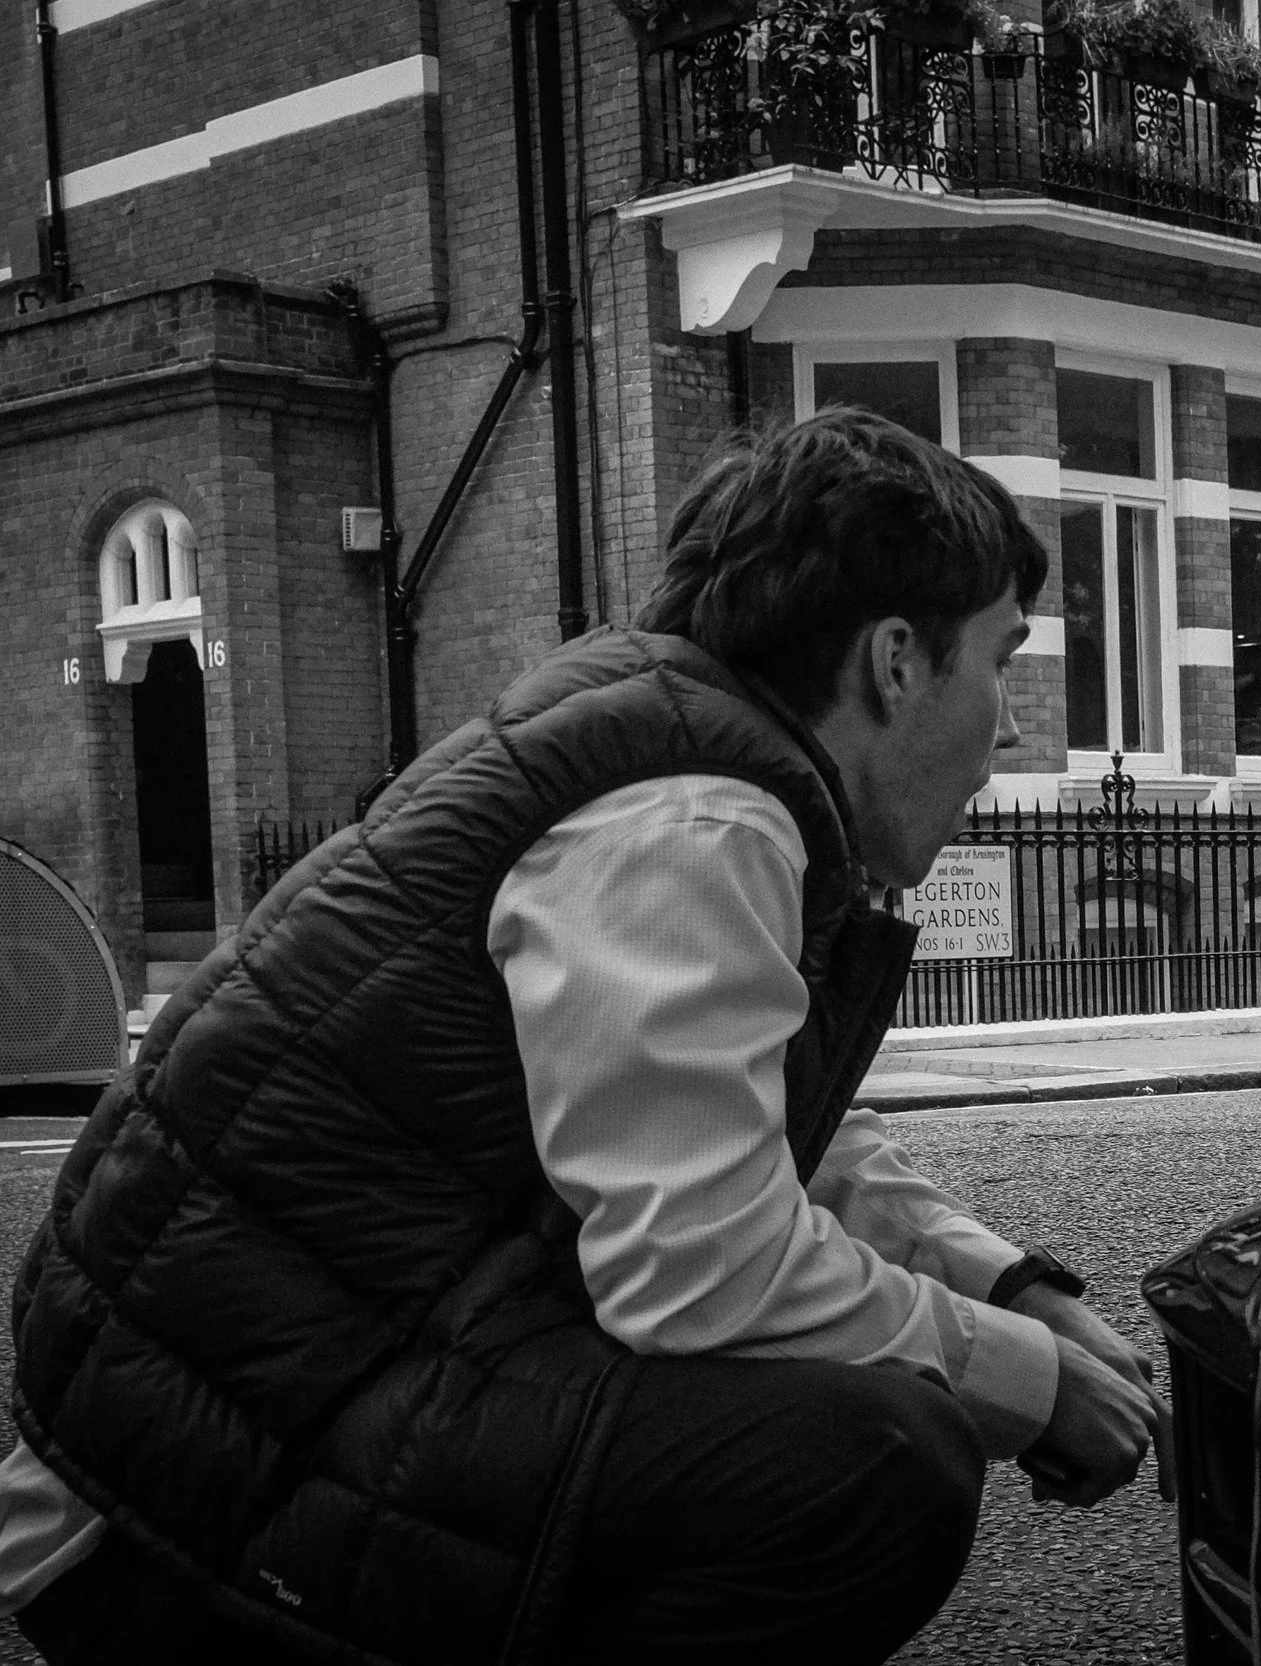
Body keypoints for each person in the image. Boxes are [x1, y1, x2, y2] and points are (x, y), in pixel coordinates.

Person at [1, 408, 1169, 1664]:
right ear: (895, 660)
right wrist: (1022, 1380)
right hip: (169, 1526)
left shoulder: (666, 753)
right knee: (876, 1467)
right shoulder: (694, 821)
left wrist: (1010, 1285)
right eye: (1003, 658)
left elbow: (736, 1123)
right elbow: (700, 1268)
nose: (1005, 731)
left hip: (231, 1425)